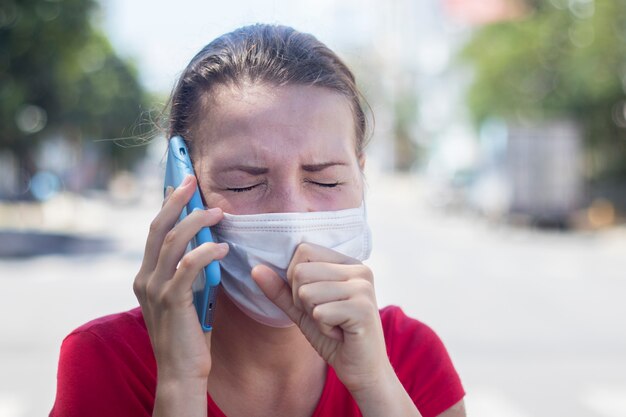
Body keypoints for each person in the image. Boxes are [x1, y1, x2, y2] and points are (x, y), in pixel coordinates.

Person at [50, 24, 465, 417]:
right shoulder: (105, 358)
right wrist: (179, 383)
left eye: (326, 179)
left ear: (360, 174)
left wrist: (375, 383)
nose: (292, 210)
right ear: (181, 190)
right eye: (245, 185)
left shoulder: (409, 354)